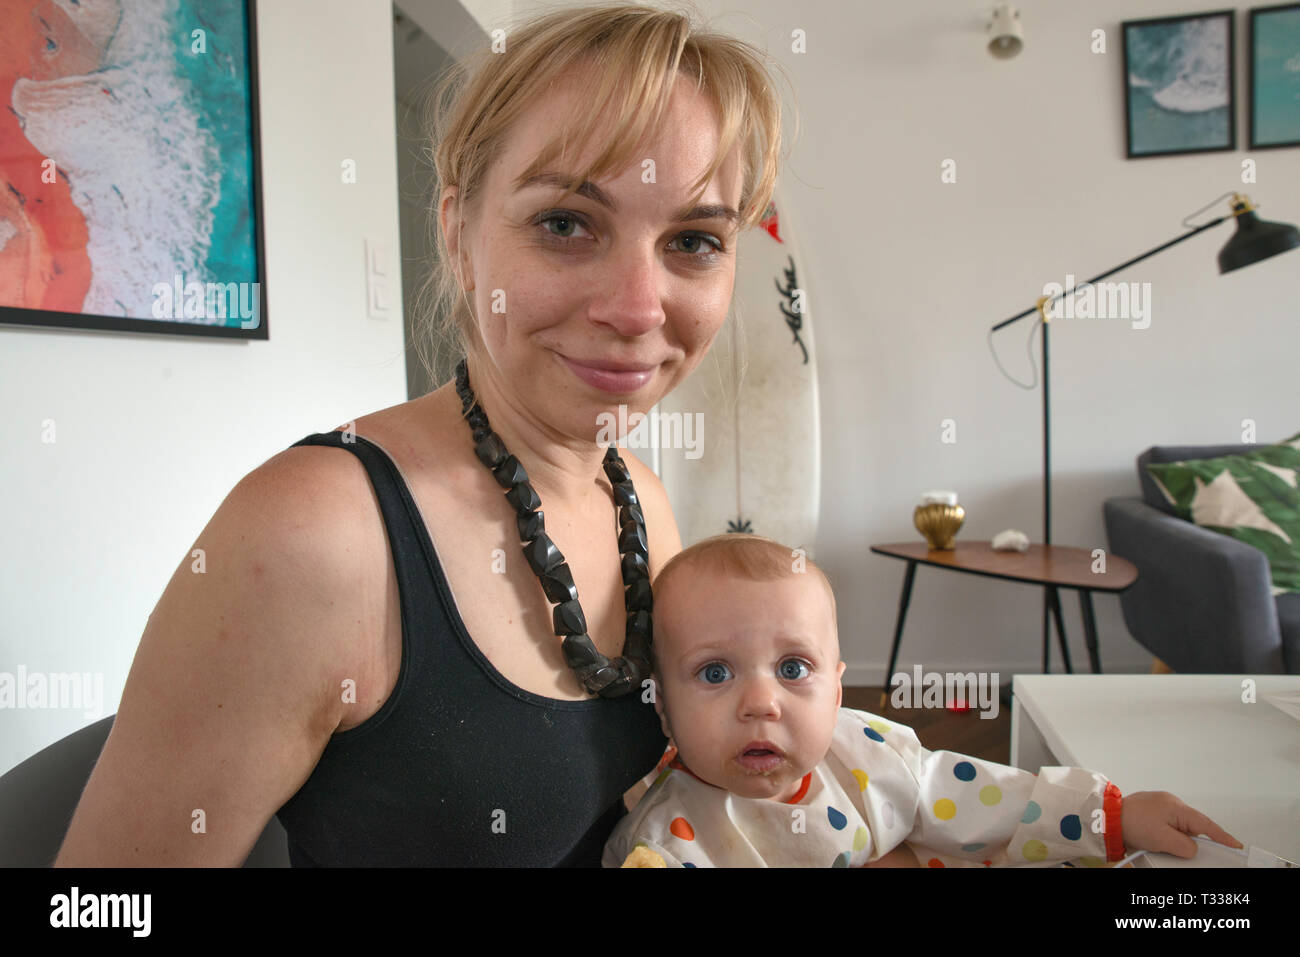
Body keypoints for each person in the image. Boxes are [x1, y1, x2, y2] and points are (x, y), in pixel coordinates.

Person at [55, 2, 785, 866]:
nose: (635, 308)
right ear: (458, 232)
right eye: (565, 224)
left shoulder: (641, 498)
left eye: (695, 240)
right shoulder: (317, 535)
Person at [605, 533, 1243, 868]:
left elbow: (989, 802)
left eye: (794, 667)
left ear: (838, 687)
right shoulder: (665, 841)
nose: (761, 702)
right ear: (662, 707)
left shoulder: (868, 756)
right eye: (715, 673)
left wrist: (1117, 816)